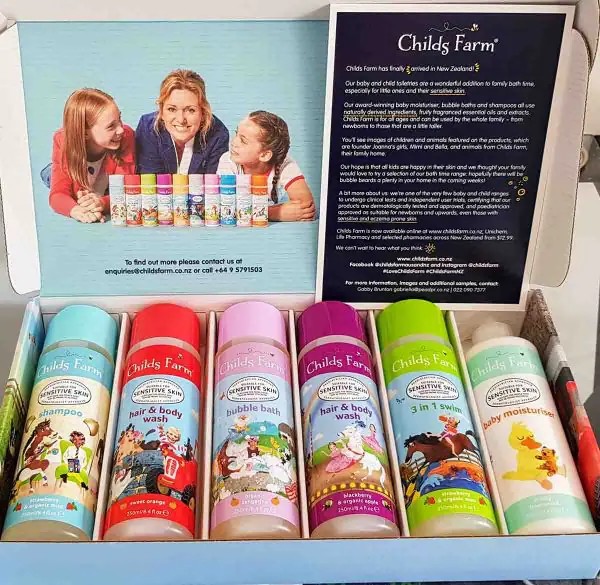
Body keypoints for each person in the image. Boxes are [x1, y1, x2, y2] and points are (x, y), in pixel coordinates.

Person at [49, 88, 135, 223]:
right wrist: (76, 210)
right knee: (52, 176)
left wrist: (102, 203)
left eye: (120, 119)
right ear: (85, 133)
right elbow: (58, 194)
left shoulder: (126, 136)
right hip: (79, 174)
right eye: (111, 126)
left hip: (101, 182)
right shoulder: (63, 141)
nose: (120, 129)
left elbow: (125, 190)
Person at [217, 110, 315, 222]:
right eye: (236, 134)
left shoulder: (285, 164)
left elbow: (307, 207)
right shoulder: (228, 161)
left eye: (243, 140)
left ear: (264, 155)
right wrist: (274, 213)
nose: (233, 142)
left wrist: (249, 212)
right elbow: (223, 209)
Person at [136, 69, 229, 175]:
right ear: (161, 111)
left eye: (191, 110)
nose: (181, 120)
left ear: (203, 113)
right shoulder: (148, 128)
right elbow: (150, 181)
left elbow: (211, 183)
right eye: (172, 109)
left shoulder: (217, 134)